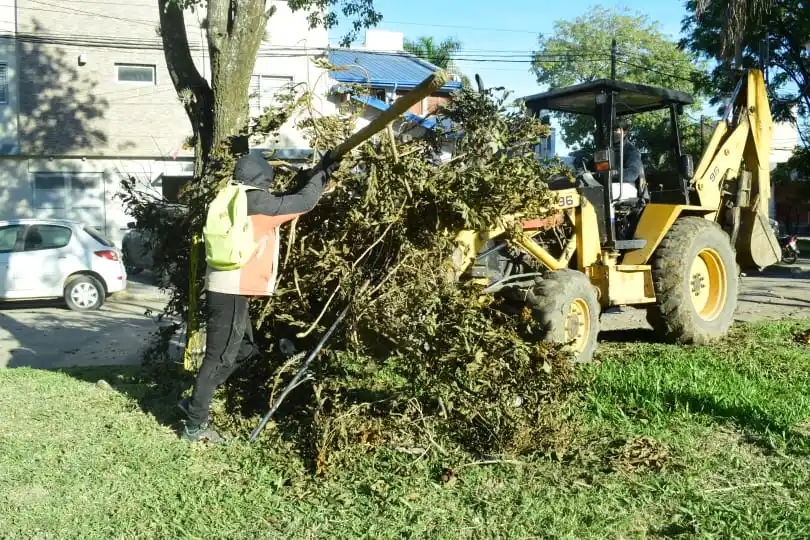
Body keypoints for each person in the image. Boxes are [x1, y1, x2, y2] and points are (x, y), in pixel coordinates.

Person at [178, 150, 340, 443]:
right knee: (218, 358)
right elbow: (302, 202)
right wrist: (323, 174)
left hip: (228, 287)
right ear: (263, 178)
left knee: (244, 350)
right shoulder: (257, 202)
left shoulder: (236, 197)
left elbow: (284, 202)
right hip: (229, 287)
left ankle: (195, 403)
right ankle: (194, 423)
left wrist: (314, 175)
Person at [612, 122, 649, 203]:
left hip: (630, 188)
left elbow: (632, 173)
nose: (612, 133)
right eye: (611, 130)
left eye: (615, 130)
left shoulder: (631, 151)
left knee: (609, 191)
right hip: (611, 185)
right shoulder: (607, 151)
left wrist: (614, 174)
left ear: (624, 132)